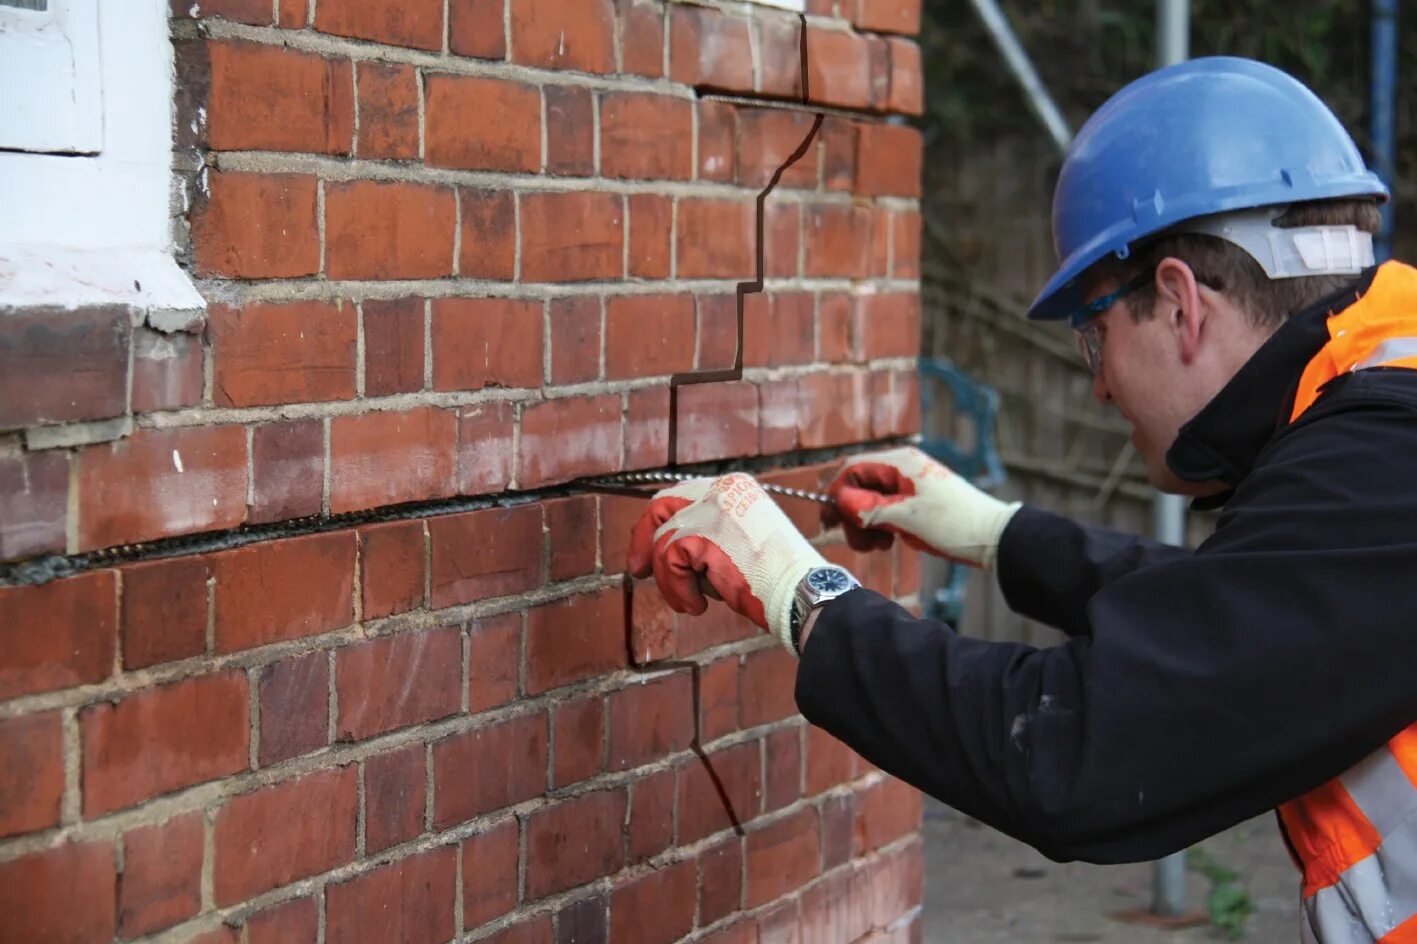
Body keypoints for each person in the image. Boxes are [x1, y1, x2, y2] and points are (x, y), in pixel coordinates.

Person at [627, 57, 1417, 943]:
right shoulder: (1377, 433)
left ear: (1178, 302)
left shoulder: (1386, 458)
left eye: (1094, 339)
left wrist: (798, 593)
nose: (1099, 388)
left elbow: (1082, 751)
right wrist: (994, 534)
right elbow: (1251, 618)